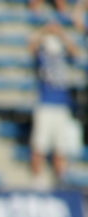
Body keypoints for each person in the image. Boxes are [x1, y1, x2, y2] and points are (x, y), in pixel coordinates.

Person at [28, 21, 80, 187]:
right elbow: (32, 47)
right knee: (40, 147)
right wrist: (45, 30)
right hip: (45, 105)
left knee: (61, 149)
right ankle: (38, 181)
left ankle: (60, 181)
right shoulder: (42, 57)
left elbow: (75, 51)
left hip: (62, 106)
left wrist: (61, 33)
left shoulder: (63, 57)